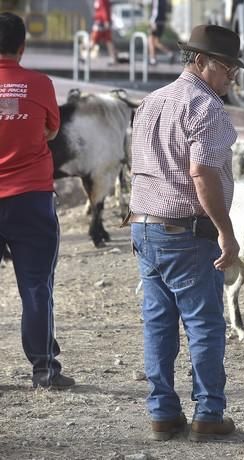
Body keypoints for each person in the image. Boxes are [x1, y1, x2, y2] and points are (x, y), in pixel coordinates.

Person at [127, 24, 244, 441]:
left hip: (144, 226)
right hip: (187, 233)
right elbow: (202, 174)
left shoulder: (151, 101)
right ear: (200, 61)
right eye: (228, 66)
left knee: (157, 325)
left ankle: (162, 414)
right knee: (204, 324)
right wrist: (225, 232)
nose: (233, 75)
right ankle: (209, 414)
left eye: (235, 68)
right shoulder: (206, 107)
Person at [0, 12, 75, 389]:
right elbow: (50, 129)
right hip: (31, 198)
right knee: (35, 286)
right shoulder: (40, 84)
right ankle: (44, 369)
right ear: (22, 46)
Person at [89, 0, 118, 65]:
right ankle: (113, 58)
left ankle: (113, 58)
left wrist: (106, 21)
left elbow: (104, 10)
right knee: (106, 41)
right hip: (100, 22)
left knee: (105, 40)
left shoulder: (102, 1)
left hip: (102, 23)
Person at [148, 0, 173, 65]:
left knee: (151, 40)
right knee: (156, 42)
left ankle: (152, 59)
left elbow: (155, 11)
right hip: (161, 21)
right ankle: (169, 53)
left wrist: (153, 22)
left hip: (156, 22)